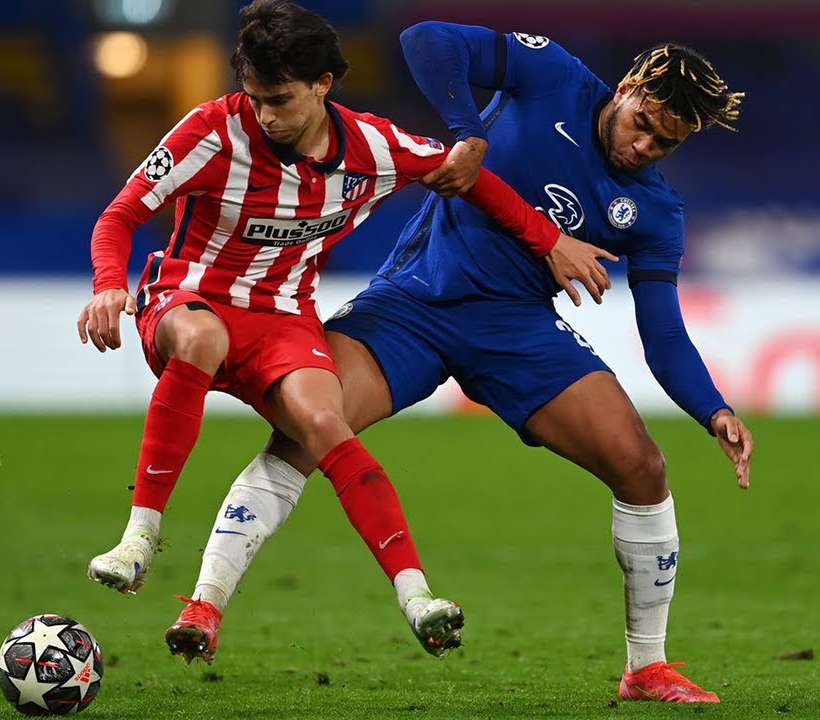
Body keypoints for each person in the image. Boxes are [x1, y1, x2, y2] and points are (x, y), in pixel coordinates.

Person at [170, 22, 755, 704]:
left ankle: (646, 668)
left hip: (517, 331)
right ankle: (204, 604)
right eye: (643, 124)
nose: (644, 146)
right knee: (308, 429)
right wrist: (467, 130)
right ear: (625, 90)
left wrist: (713, 408)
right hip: (414, 302)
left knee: (642, 465)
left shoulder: (654, 210)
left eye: (665, 142)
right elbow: (427, 40)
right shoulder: (553, 75)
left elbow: (663, 334)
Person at [77, 2, 608, 664]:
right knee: (205, 340)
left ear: (323, 84)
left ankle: (417, 597)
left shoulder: (374, 148)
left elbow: (470, 180)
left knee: (325, 423)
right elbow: (120, 215)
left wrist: (550, 239)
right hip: (188, 298)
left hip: (282, 318)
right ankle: (139, 538)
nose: (265, 114)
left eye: (280, 99)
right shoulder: (212, 133)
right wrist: (107, 286)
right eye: (255, 97)